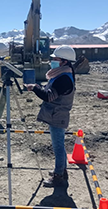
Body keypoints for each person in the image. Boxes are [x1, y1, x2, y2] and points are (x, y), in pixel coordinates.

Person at [25, 45, 76, 188]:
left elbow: (49, 96)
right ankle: (61, 170)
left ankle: (58, 176)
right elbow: (50, 90)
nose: (52, 61)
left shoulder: (63, 78)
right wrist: (38, 87)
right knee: (59, 145)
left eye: (56, 59)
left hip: (58, 115)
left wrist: (35, 88)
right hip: (56, 114)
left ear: (64, 61)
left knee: (58, 146)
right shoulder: (60, 74)